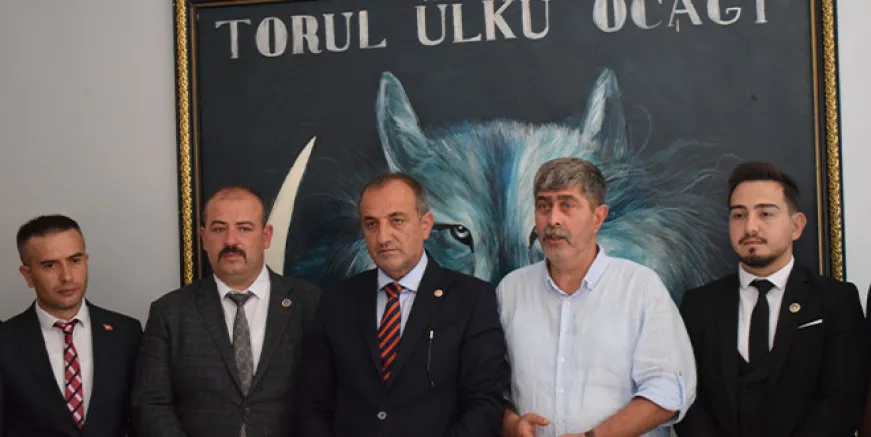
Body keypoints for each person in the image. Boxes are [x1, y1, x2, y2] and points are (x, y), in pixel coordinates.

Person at [297, 173, 509, 437]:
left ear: (425, 225)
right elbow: (313, 403)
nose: (383, 237)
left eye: (396, 220)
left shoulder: (471, 299)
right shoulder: (337, 300)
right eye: (371, 224)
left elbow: (484, 403)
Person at [498, 157, 696, 437]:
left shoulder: (640, 288)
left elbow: (668, 390)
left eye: (567, 205)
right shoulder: (511, 290)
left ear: (598, 217)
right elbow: (490, 384)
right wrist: (511, 424)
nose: (553, 219)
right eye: (544, 206)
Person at [675, 161, 868, 437]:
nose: (750, 227)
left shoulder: (836, 300)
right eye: (739, 215)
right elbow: (688, 398)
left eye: (765, 213)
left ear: (796, 226)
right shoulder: (698, 305)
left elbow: (843, 400)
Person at [133, 186, 321, 437]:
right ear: (203, 238)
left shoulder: (310, 304)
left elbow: (327, 398)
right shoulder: (170, 313)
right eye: (219, 229)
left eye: (244, 228)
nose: (231, 241)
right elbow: (151, 404)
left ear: (266, 236)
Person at [0, 214, 142, 437]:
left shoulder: (126, 333)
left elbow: (141, 418)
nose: (66, 276)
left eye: (75, 261)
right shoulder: (6, 341)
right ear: (28, 275)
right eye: (50, 265)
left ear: (86, 260)